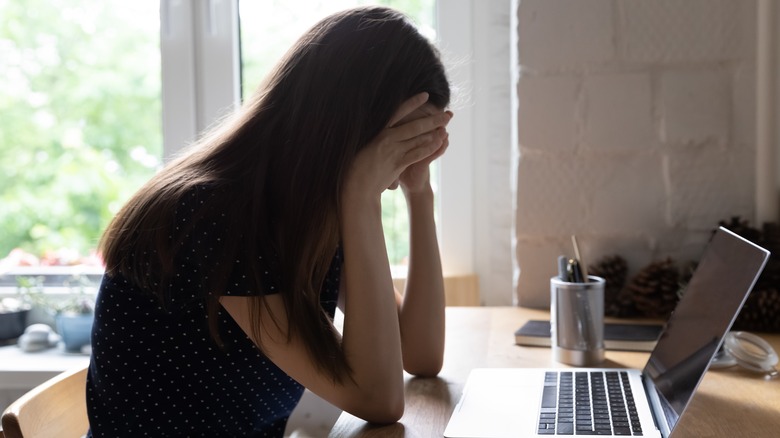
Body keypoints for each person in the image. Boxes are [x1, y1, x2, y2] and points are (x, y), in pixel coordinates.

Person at [86, 5, 452, 437]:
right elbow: (379, 399)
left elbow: (421, 355)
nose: (394, 172)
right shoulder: (214, 217)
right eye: (400, 145)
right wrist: (360, 194)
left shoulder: (309, 213)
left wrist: (419, 191)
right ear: (351, 127)